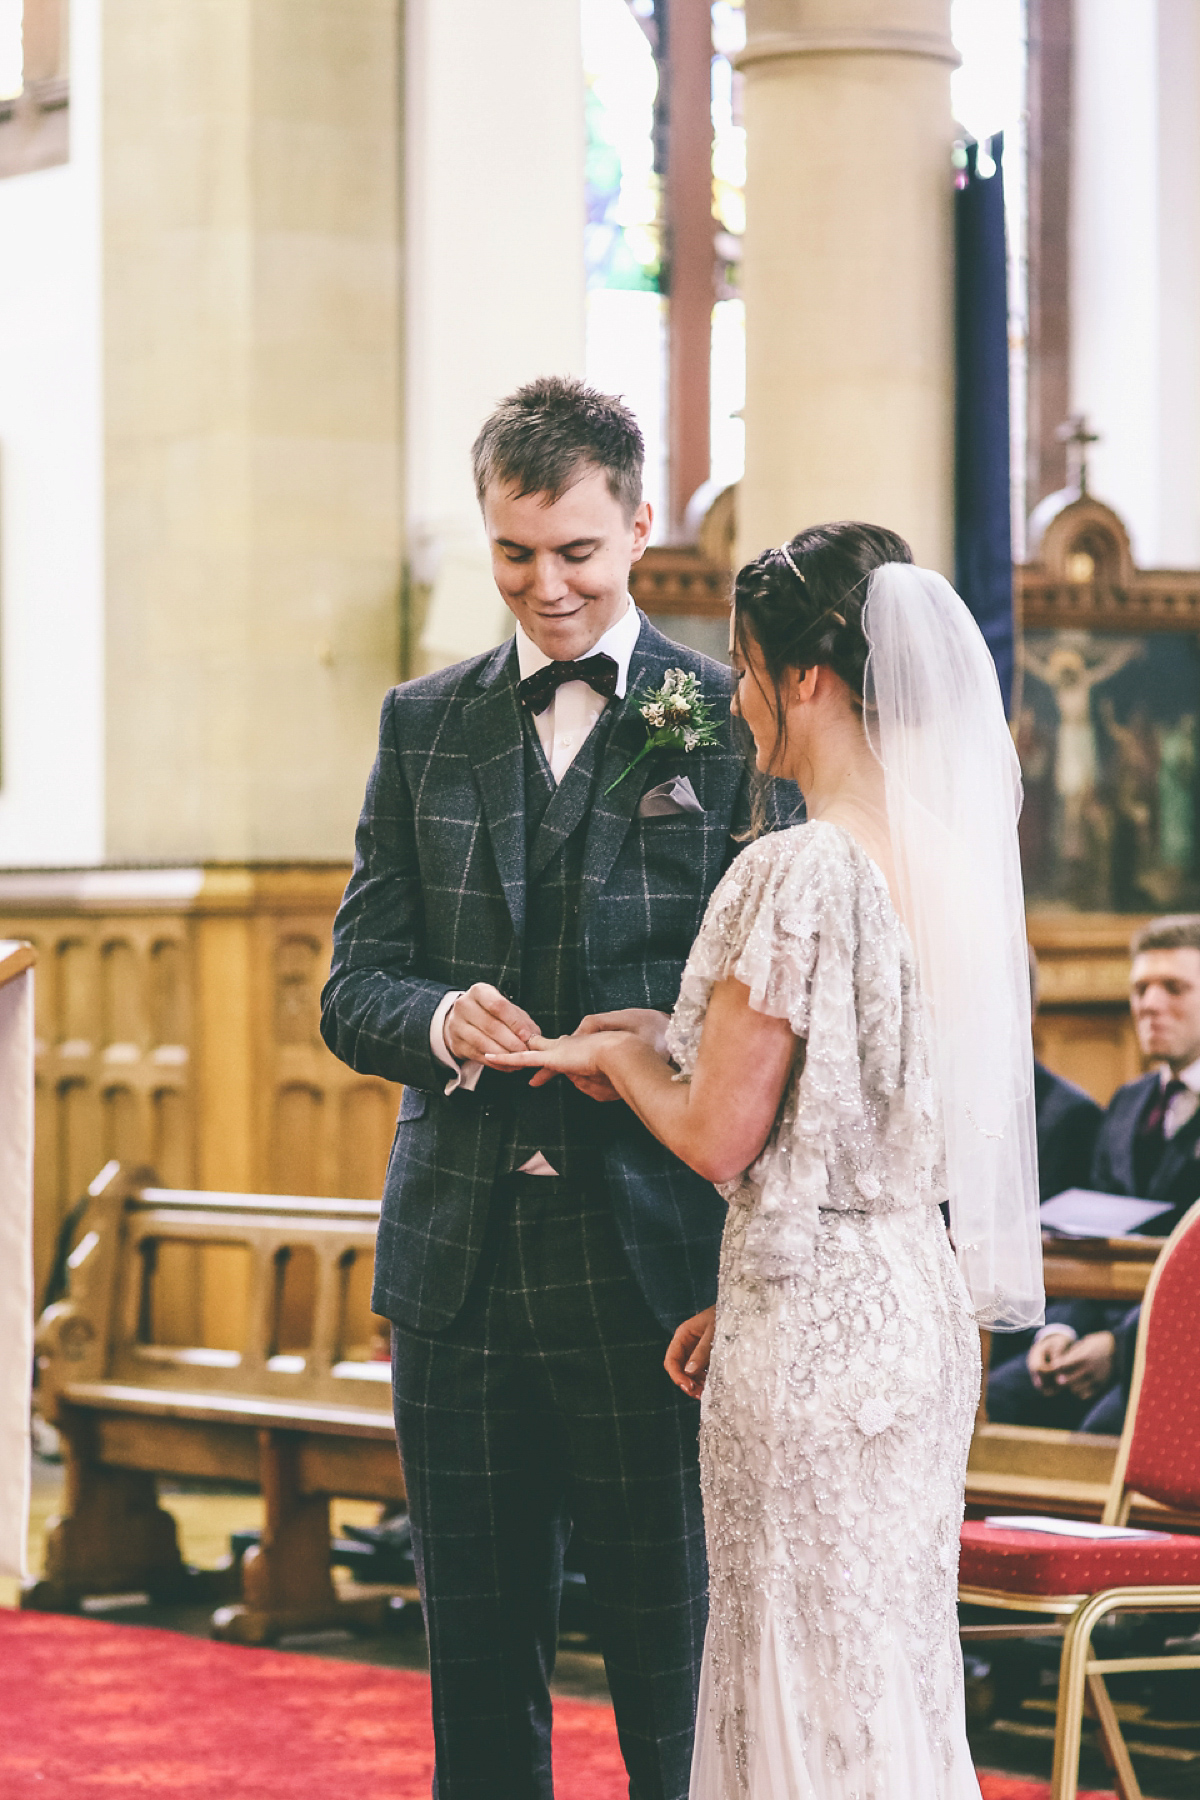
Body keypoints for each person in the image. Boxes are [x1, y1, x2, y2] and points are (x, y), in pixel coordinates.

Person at [491, 526, 1043, 1798]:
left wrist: (610, 1059)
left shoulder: (797, 867)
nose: (735, 697)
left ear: (805, 679)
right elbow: (853, 1090)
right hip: (910, 1304)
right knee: (890, 1659)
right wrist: (658, 1038)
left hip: (811, 1336)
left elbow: (718, 1134)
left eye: (744, 669)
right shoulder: (954, 868)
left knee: (795, 1657)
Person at [320, 376, 793, 1800]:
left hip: (654, 1267)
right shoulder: (426, 724)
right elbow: (353, 984)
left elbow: (771, 1015)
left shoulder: (728, 726)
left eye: (577, 552)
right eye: (516, 554)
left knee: (671, 1667)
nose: (548, 587)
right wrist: (435, 1015)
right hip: (455, 1263)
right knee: (475, 1663)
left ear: (639, 527)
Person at [990, 914, 1200, 1435]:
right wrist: (1060, 1331)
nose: (1149, 1003)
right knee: (996, 1398)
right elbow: (1095, 1244)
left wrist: (1119, 1347)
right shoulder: (1129, 1103)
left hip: (1179, 1344)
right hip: (1099, 1326)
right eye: (1140, 988)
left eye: (1173, 987)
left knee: (1101, 1428)